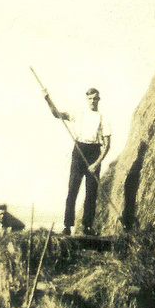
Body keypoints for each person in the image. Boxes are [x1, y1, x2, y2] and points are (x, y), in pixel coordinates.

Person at [44, 87, 112, 236]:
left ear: (99, 100)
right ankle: (67, 226)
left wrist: (97, 163)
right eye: (90, 98)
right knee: (72, 189)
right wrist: (47, 99)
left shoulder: (103, 118)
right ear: (86, 99)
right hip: (79, 150)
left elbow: (107, 146)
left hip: (94, 152)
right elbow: (57, 114)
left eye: (95, 98)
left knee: (91, 192)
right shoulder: (78, 113)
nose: (93, 101)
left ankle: (88, 226)